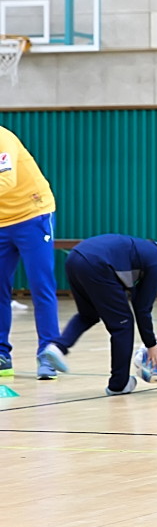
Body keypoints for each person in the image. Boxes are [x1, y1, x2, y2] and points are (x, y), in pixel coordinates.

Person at [39, 221, 157, 395]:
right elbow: (142, 308)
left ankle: (57, 347)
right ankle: (119, 384)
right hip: (97, 264)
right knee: (123, 326)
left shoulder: (150, 251)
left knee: (88, 314)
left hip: (76, 257)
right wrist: (151, 344)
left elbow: (137, 299)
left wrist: (149, 335)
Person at [0, 125, 60, 380]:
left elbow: (6, 180)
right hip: (1, 221)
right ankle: (2, 355)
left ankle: (48, 353)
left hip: (33, 213)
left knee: (41, 285)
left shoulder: (2, 138)